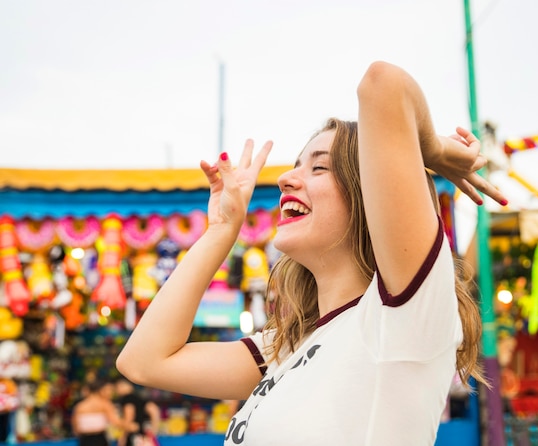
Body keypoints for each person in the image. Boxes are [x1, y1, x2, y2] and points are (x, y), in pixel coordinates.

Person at [117, 60, 507, 445]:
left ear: (366, 194)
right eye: (297, 165)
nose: (287, 178)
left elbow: (383, 84)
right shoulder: (288, 345)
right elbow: (144, 362)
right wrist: (221, 231)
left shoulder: (398, 314)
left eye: (319, 168)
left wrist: (434, 151)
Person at [71, 379, 138, 446]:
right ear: (101, 390)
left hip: (84, 440)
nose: (110, 393)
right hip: (99, 439)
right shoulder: (104, 404)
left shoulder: (80, 406)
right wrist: (131, 426)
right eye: (108, 390)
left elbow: (76, 427)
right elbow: (115, 421)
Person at [114, 378, 161, 446]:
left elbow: (129, 417)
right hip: (144, 435)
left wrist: (123, 437)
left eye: (118, 387)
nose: (117, 390)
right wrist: (154, 431)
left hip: (134, 436)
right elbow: (154, 409)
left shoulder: (127, 398)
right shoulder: (139, 397)